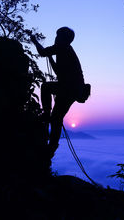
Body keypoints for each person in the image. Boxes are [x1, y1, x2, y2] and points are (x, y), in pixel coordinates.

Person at [30, 27, 86, 158]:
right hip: (73, 89)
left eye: (57, 36)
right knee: (57, 117)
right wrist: (51, 58)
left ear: (62, 38)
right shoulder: (65, 50)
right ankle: (52, 145)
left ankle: (46, 114)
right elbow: (58, 72)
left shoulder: (63, 47)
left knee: (46, 89)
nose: (55, 39)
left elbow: (42, 52)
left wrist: (34, 41)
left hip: (69, 88)